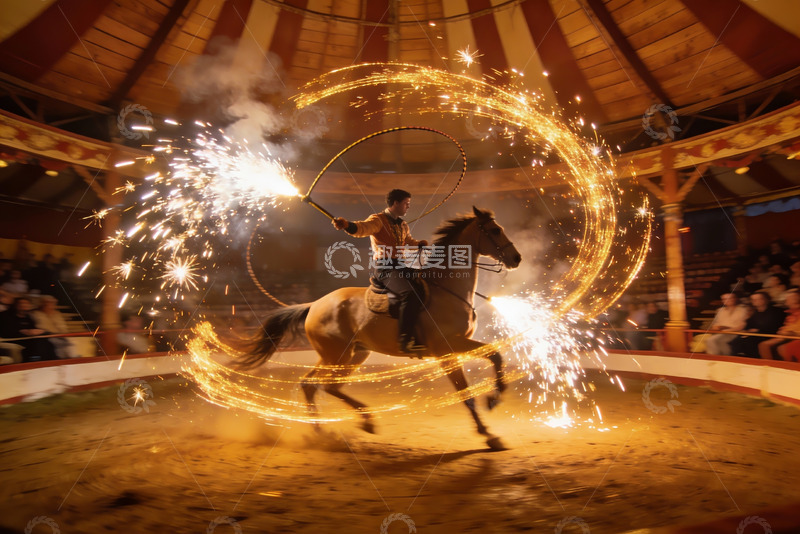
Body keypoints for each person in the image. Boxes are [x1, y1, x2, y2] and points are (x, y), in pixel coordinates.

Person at [332, 189, 429, 353]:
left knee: (425, 283)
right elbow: (363, 228)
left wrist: (419, 243)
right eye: (406, 204)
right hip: (385, 268)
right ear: (396, 203)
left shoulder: (403, 225)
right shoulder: (378, 219)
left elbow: (408, 241)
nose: (408, 207)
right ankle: (405, 339)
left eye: (409, 204)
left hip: (401, 266)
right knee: (409, 293)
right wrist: (348, 225)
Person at [0, 297, 57, 362]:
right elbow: (5, 331)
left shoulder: (28, 316)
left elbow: (33, 327)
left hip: (27, 338)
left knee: (46, 339)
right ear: (15, 305)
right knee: (38, 342)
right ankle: (36, 361)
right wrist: (23, 332)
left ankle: (50, 362)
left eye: (26, 303)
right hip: (13, 338)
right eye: (21, 303)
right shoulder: (5, 315)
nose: (23, 305)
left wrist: (39, 331)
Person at [729, 291, 785, 358]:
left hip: (769, 334)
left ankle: (756, 361)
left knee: (749, 340)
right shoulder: (753, 312)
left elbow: (774, 325)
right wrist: (748, 329)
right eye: (753, 299)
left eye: (758, 299)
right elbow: (748, 324)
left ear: (766, 299)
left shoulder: (777, 311)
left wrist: (757, 330)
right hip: (755, 334)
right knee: (738, 339)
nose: (755, 301)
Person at [758, 291, 800, 359]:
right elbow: (788, 325)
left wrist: (791, 333)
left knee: (782, 348)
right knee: (763, 345)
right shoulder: (789, 313)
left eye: (795, 297)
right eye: (789, 298)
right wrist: (783, 330)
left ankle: (788, 367)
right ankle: (770, 366)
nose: (794, 300)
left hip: (795, 336)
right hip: (787, 335)